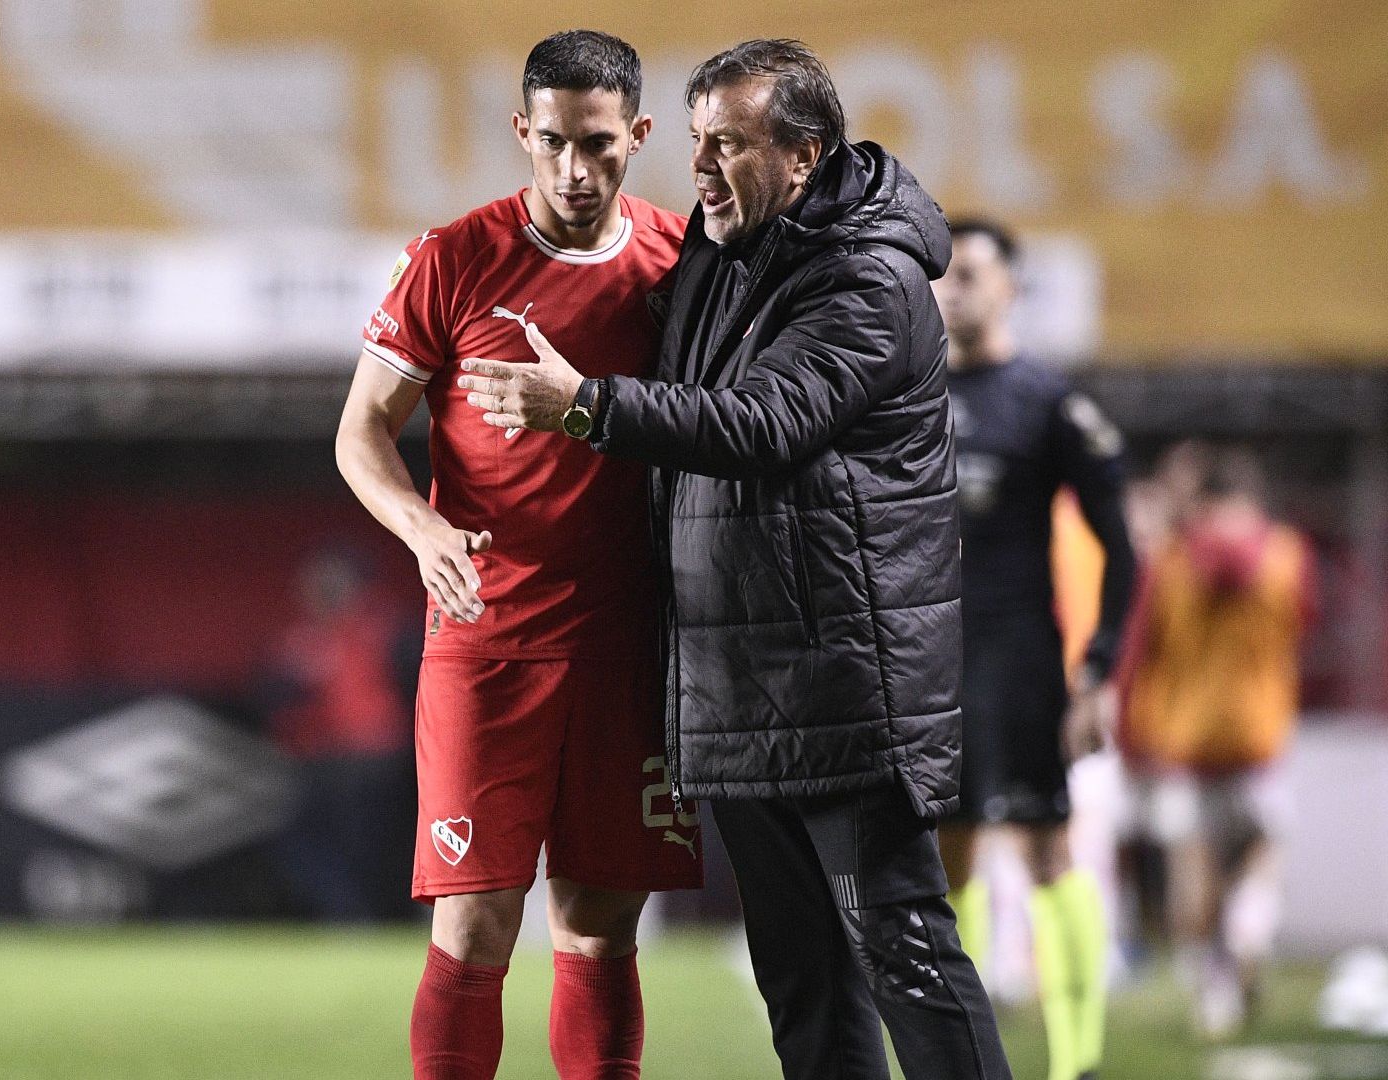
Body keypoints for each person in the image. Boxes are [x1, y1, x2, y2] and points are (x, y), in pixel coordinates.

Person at [457, 38, 1012, 1080]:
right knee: (804, 980)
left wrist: (580, 405)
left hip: (849, 684)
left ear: (803, 157)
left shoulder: (869, 276)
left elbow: (766, 420)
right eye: (699, 141)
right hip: (743, 683)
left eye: (730, 145)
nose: (703, 167)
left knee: (905, 954)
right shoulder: (721, 254)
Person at [334, 30, 702, 1080]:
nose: (574, 172)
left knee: (597, 933)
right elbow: (361, 432)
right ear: (521, 134)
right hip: (487, 644)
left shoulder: (681, 265)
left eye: (599, 145)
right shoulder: (453, 258)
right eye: (552, 144)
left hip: (631, 648)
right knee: (476, 929)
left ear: (637, 135)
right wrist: (423, 528)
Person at [932, 218, 1137, 1080]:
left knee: (1047, 851)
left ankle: (1076, 1060)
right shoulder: (902, 395)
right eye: (942, 275)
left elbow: (1121, 551)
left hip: (1018, 659)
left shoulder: (1047, 400)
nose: (953, 289)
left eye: (972, 273)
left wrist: (1095, 674)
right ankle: (963, 1056)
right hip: (925, 659)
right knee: (945, 862)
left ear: (1010, 286)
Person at [1114, 447, 1316, 1037]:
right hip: (1260, 735)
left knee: (1192, 866)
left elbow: (1141, 649)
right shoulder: (1287, 554)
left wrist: (1131, 732)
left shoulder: (1171, 559)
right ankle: (1250, 930)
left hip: (1184, 737)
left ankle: (1214, 989)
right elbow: (1303, 628)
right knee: (1263, 850)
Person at [263, 547, 414, 922]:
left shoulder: (384, 628)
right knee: (312, 842)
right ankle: (350, 915)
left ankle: (380, 916)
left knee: (377, 845)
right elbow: (276, 696)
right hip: (331, 760)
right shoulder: (310, 637)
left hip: (379, 759)